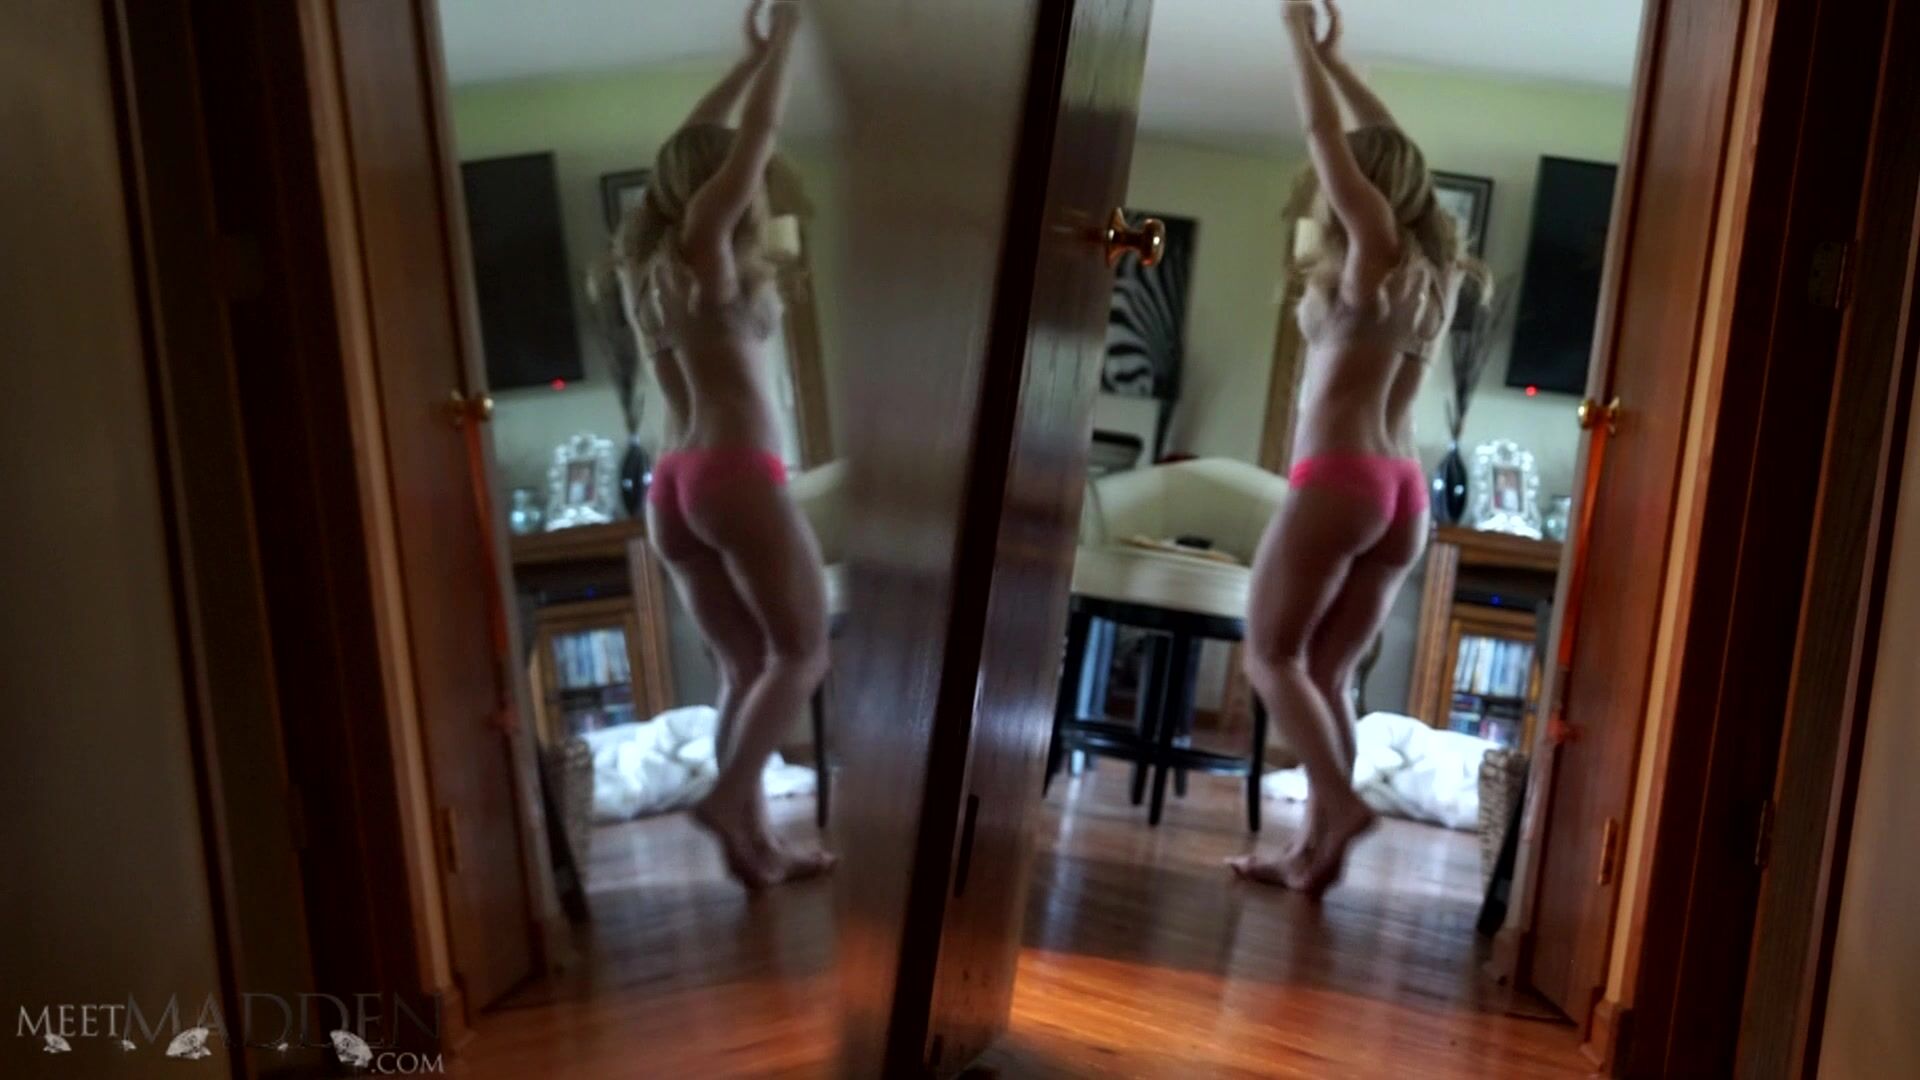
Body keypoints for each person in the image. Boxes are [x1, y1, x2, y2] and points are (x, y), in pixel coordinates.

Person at [1229, 0, 1488, 895]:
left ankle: (1337, 806)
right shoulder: (1434, 271)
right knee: (1328, 672)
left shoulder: (1370, 252)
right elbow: (1383, 147)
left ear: (1362, 187)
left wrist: (1296, 40)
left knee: (1270, 656)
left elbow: (1321, 135)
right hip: (1402, 491)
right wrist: (1340, 63)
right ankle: (1315, 852)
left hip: (1341, 479)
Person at [606, 0, 830, 887]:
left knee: (744, 666)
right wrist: (788, 44)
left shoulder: (645, 267)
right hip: (732, 474)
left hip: (672, 484)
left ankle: (753, 846)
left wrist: (746, 61)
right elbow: (756, 137)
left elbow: (696, 146)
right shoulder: (708, 252)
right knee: (802, 652)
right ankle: (728, 796)